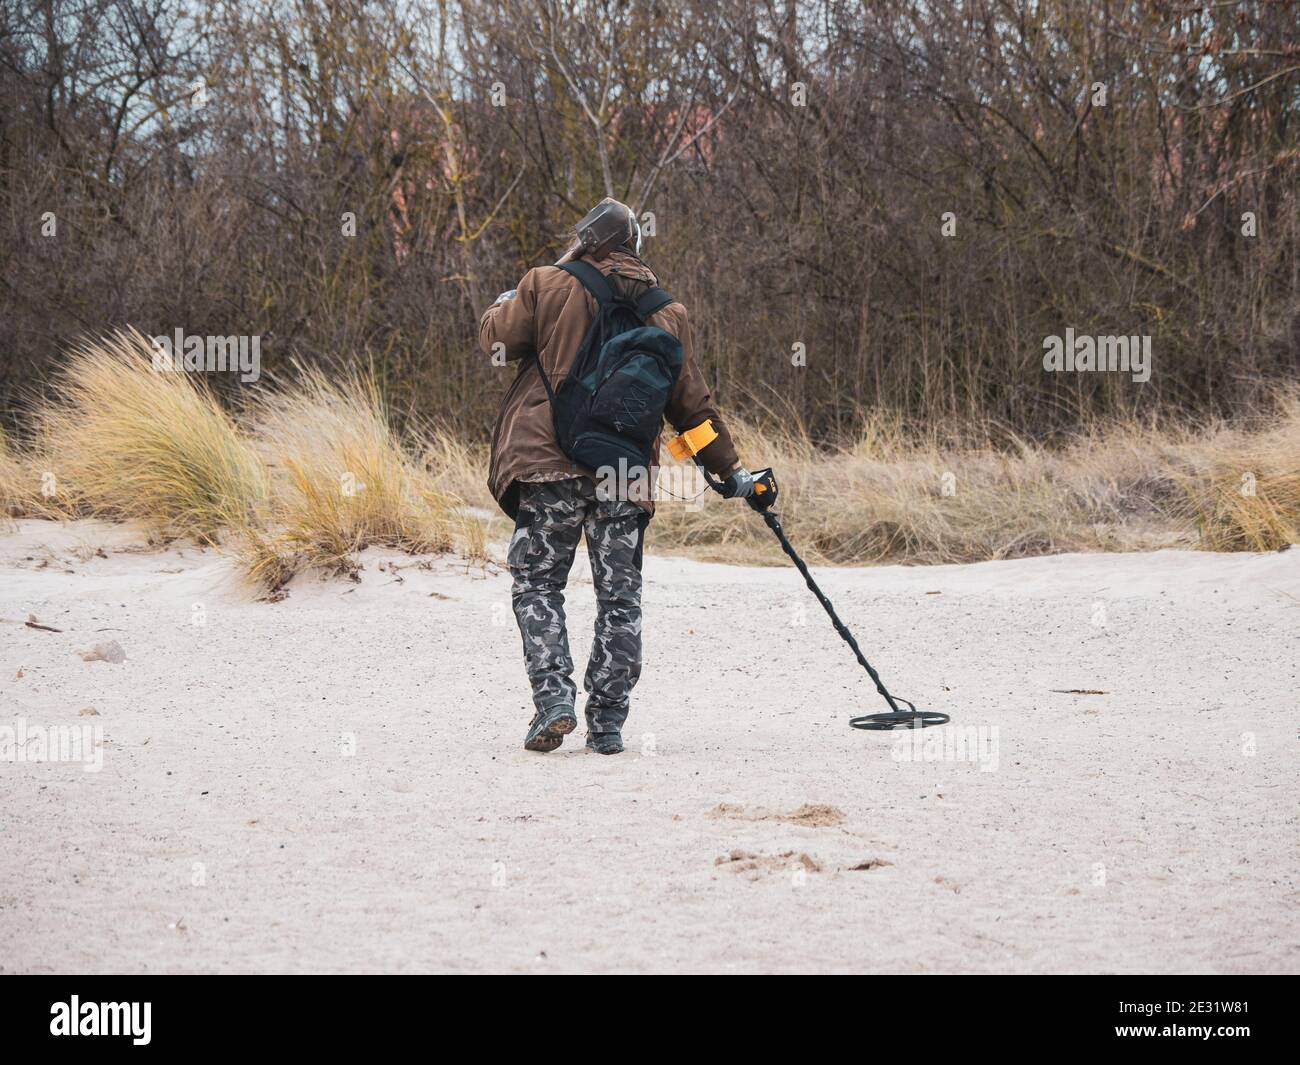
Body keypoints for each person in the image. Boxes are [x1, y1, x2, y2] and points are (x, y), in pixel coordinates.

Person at [479, 197, 755, 754]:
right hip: (625, 470)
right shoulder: (667, 312)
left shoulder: (546, 283)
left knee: (538, 583)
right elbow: (691, 408)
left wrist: (507, 300)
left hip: (548, 463)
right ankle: (607, 722)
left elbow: (497, 343)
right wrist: (733, 472)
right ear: (635, 246)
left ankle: (554, 701)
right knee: (620, 599)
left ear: (585, 239)